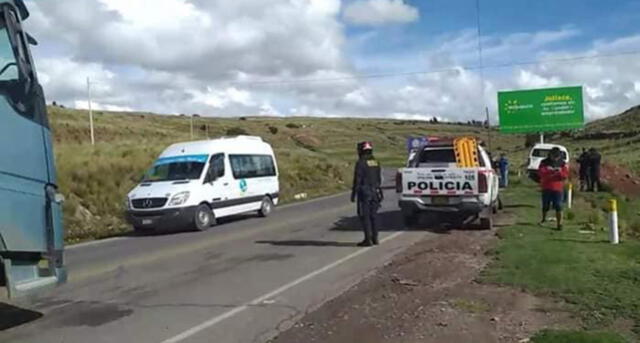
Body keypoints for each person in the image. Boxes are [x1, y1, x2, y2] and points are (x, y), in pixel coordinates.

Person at [351, 141, 383, 247]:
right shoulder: (375, 162)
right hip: (375, 191)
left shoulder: (360, 163)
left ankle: (368, 239)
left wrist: (353, 193)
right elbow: (379, 178)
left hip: (365, 192)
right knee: (374, 215)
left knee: (365, 216)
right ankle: (375, 238)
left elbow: (357, 179)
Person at [538, 147, 569, 230]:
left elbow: (565, 175)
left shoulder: (562, 163)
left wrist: (559, 171)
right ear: (550, 155)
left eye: (557, 156)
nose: (555, 158)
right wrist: (550, 170)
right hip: (546, 186)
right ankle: (543, 219)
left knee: (558, 205)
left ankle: (560, 224)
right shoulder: (544, 162)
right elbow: (541, 173)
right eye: (554, 156)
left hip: (558, 188)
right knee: (545, 205)